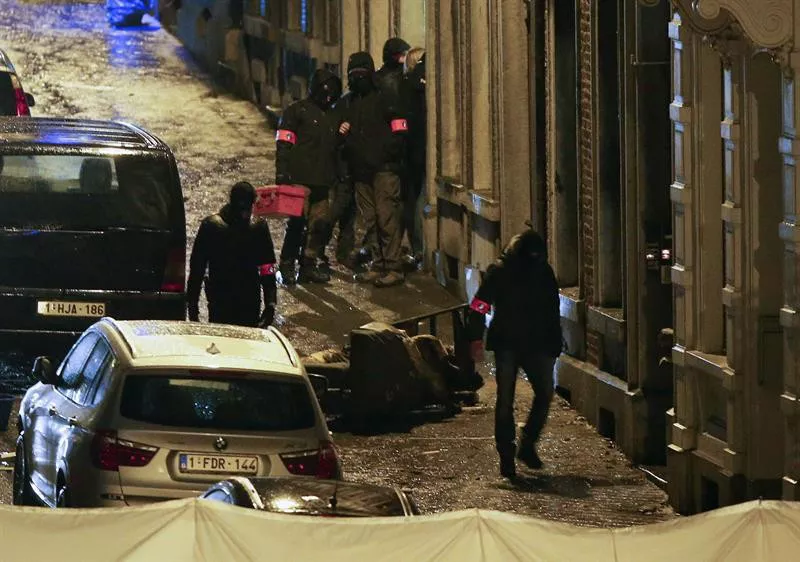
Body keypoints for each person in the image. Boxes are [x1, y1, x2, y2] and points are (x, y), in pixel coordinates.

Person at [466, 228, 563, 478]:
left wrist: (476, 335)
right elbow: (480, 304)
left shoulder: (515, 270)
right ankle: (514, 450)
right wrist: (475, 335)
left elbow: (479, 304)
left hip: (517, 343)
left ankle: (518, 448)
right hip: (519, 344)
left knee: (520, 397)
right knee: (516, 397)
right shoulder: (526, 271)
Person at [339, 51, 408, 288]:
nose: (357, 78)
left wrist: (388, 154)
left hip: (384, 170)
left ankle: (393, 267)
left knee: (386, 217)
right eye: (353, 74)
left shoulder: (386, 96)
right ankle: (378, 264)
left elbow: (400, 129)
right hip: (361, 171)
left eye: (361, 73)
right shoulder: (350, 101)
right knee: (370, 221)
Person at [275, 68, 343, 285]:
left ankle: (308, 265)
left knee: (319, 225)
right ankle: (287, 264)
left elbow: (337, 148)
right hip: (299, 179)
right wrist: (282, 172)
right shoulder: (296, 111)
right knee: (296, 224)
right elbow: (284, 143)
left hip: (323, 180)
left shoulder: (333, 115)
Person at [187, 181, 277, 328]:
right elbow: (197, 268)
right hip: (225, 300)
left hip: (241, 300)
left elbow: (268, 267)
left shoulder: (256, 228)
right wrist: (192, 303)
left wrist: (271, 303)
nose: (245, 213)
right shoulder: (213, 226)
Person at [400, 47, 426, 268]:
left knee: (412, 201)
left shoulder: (406, 86)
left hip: (411, 153)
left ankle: (418, 248)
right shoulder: (425, 85)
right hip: (426, 151)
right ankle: (420, 249)